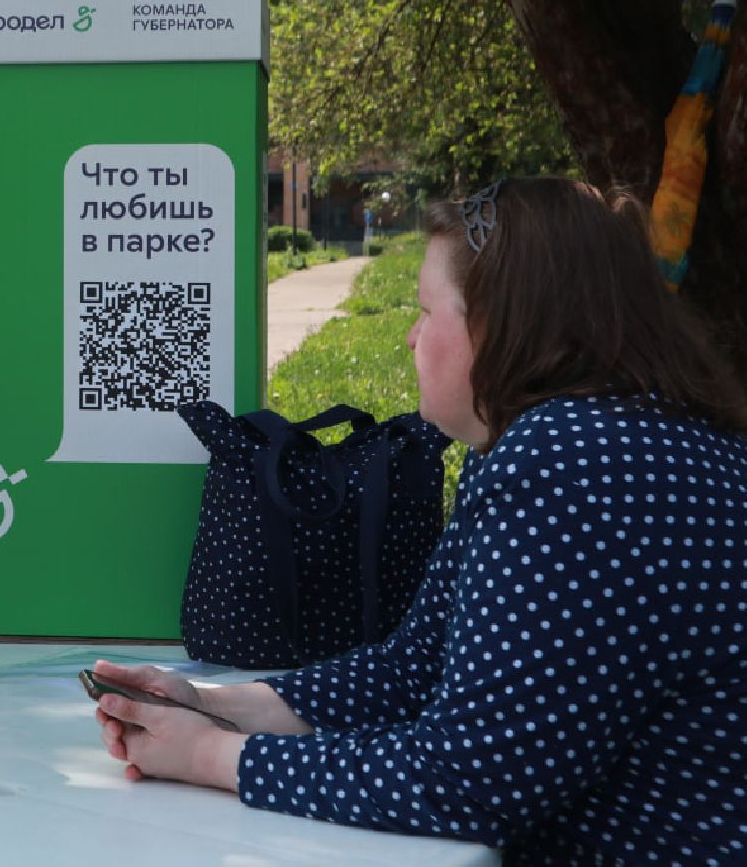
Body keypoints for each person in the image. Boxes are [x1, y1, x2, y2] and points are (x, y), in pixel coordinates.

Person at [91, 177, 747, 864]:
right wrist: (208, 702)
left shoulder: (565, 459)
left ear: (500, 321)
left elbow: (465, 782)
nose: (409, 336)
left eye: (426, 309)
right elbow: (412, 672)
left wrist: (210, 756)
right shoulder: (639, 436)